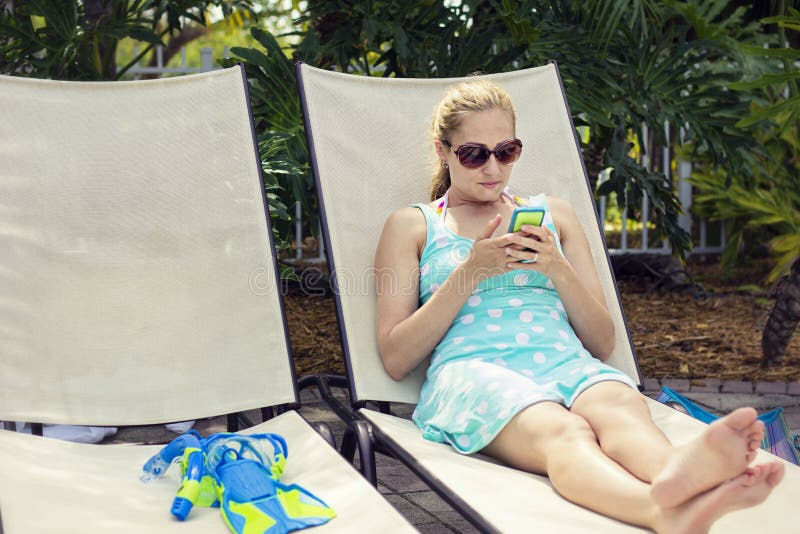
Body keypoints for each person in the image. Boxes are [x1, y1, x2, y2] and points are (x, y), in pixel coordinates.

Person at [373, 79, 784, 533]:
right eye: (475, 154)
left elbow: (603, 341)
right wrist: (470, 272)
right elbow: (396, 357)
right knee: (567, 432)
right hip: (474, 372)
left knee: (618, 404)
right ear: (444, 150)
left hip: (565, 362)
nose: (493, 167)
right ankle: (658, 511)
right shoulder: (413, 225)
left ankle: (676, 475)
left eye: (506, 151)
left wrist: (556, 267)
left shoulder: (556, 215)